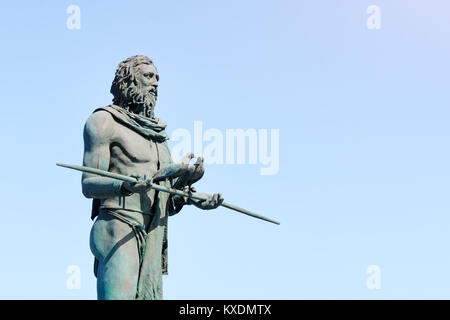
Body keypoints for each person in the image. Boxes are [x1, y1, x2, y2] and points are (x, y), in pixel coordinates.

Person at [81, 55, 223, 299]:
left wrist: (191, 195)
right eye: (148, 76)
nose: (155, 83)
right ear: (128, 81)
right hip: (119, 224)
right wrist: (124, 184)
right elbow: (88, 184)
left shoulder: (157, 134)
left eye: (157, 78)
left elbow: (163, 193)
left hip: (152, 229)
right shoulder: (104, 121)